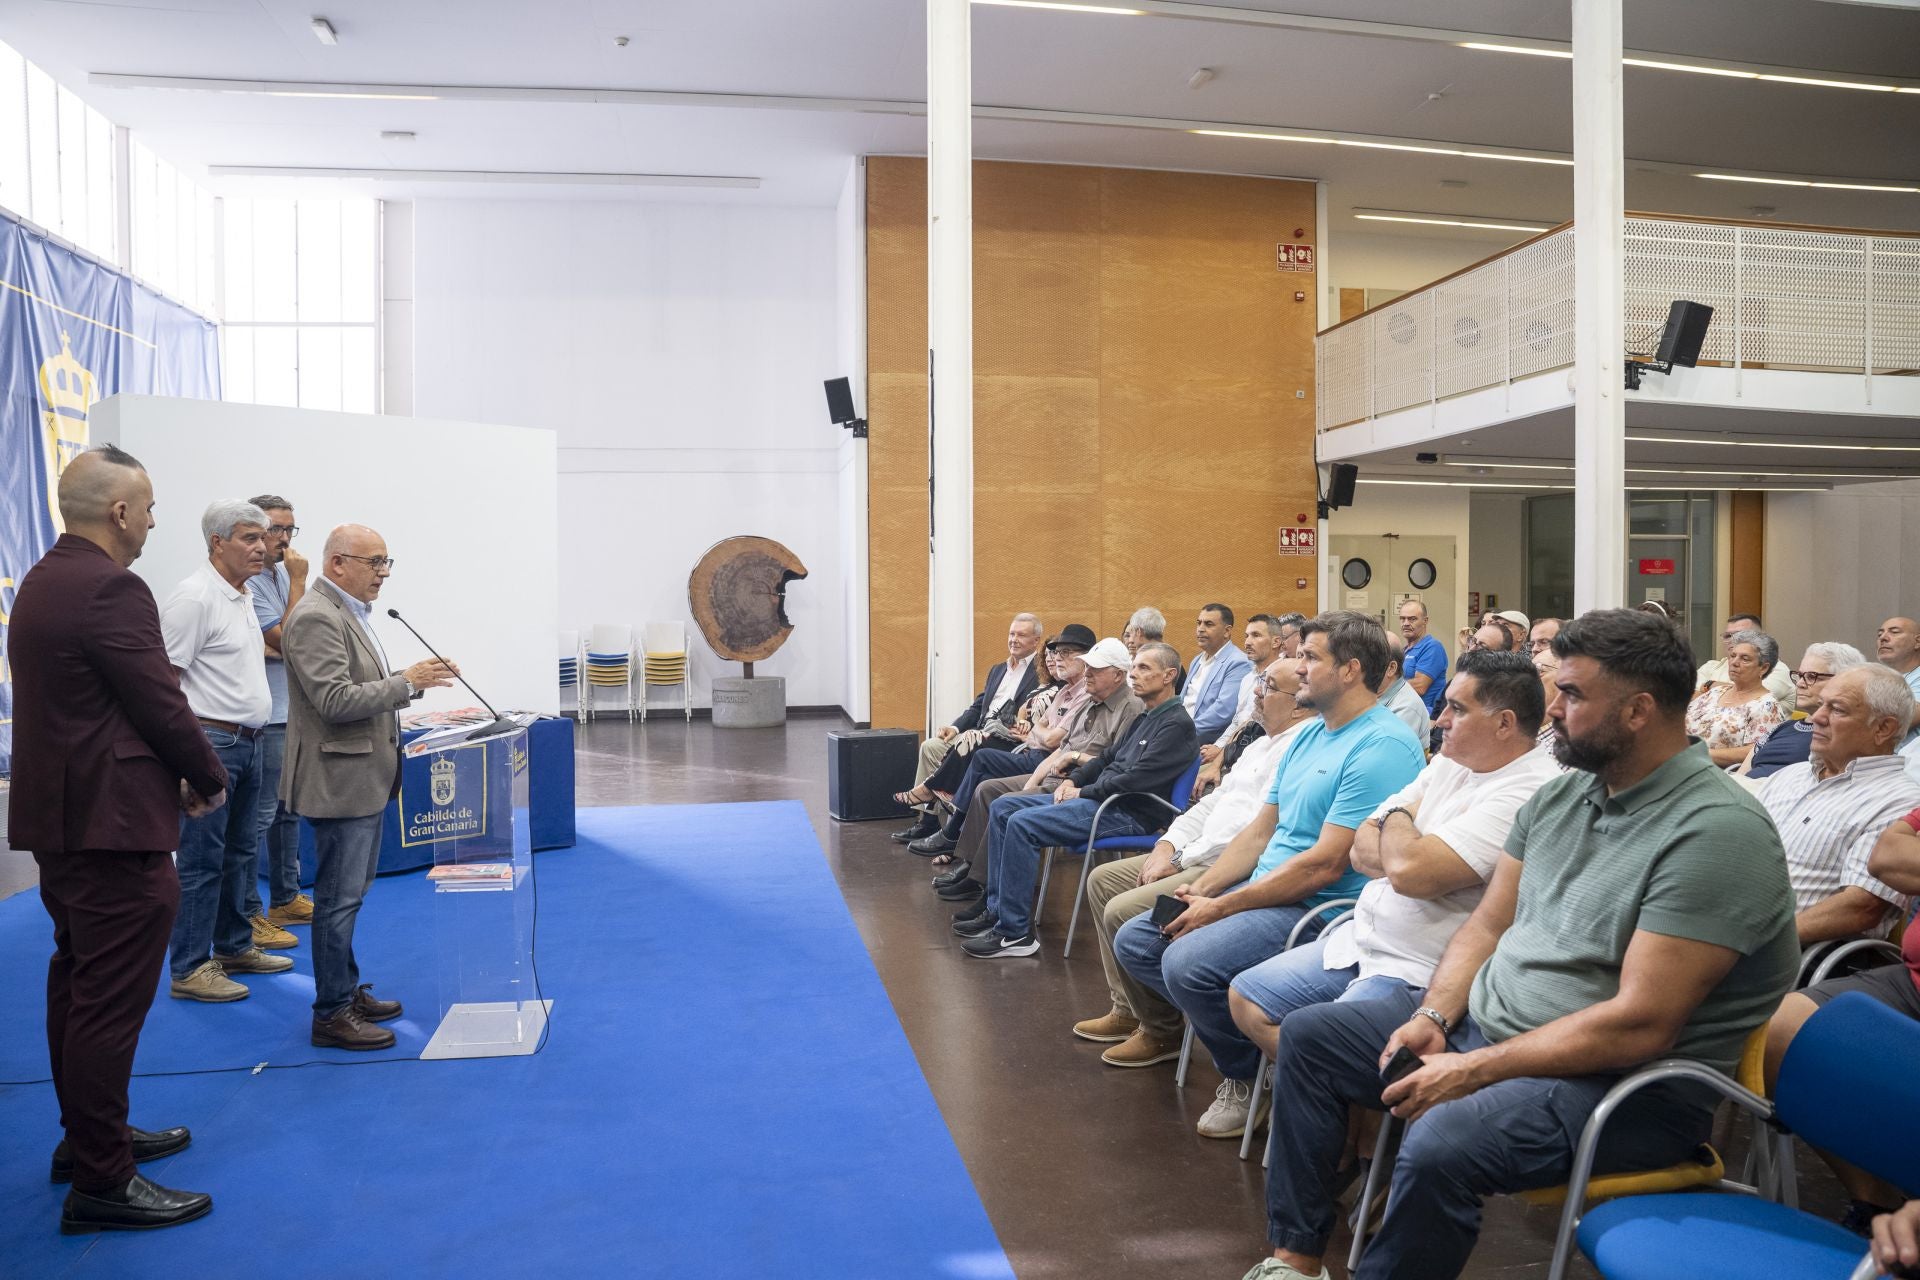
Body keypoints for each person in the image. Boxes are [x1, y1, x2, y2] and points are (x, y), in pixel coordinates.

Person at [1244, 608, 1799, 1280]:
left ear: (1638, 712)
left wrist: (1474, 1069)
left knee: (1444, 1140)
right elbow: (1485, 926)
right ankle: (1295, 1262)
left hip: (1620, 1088)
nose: (1552, 712)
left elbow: (1642, 1024)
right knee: (1313, 1037)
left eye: (1572, 695)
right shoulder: (1564, 798)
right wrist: (1433, 1016)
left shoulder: (1715, 832)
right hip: (1494, 1037)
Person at [7, 445, 227, 1233]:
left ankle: (87, 1140)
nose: (156, 519)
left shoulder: (44, 580)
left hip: (67, 825)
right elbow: (162, 701)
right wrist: (209, 777)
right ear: (122, 512)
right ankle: (102, 1178)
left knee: (78, 986)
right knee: (106, 1004)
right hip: (113, 829)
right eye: (150, 505)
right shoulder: (110, 588)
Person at [1111, 612, 1424, 1138]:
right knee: (1140, 939)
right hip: (1267, 888)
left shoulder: (1381, 747)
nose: (1297, 667)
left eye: (1309, 657)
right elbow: (1258, 834)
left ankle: (1244, 1074)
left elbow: (1326, 863)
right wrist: (1203, 889)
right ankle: (1260, 1060)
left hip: (1317, 907)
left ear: (1349, 670)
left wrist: (1226, 905)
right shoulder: (1308, 736)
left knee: (1187, 961)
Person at [1227, 652, 1559, 1084]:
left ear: (1504, 724)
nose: (1440, 720)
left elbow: (1409, 873)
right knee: (1246, 999)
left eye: (1456, 709)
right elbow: (1360, 851)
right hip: (1362, 937)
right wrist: (1401, 837)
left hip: (1419, 968)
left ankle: (1339, 1102)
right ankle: (1327, 1090)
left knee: (1316, 1038)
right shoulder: (1452, 760)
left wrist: (1395, 820)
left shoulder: (1530, 790)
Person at [1074, 657, 1316, 1068]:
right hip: (1195, 853)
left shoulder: (1300, 745)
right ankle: (1128, 1008)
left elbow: (1251, 831)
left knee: (1123, 910)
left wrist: (1183, 857)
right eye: (1260, 682)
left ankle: (1161, 1029)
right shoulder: (1260, 742)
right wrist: (1169, 845)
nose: (1256, 691)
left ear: (1298, 703)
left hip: (1223, 865)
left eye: (1268, 686)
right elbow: (1211, 806)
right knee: (1103, 881)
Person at [282, 524, 458, 1049]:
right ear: (337, 564)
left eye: (387, 562)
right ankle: (331, 1012)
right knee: (338, 900)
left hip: (360, 775)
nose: (383, 572)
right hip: (339, 778)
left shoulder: (345, 612)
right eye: (373, 562)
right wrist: (409, 682)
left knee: (348, 896)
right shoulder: (316, 617)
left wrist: (409, 682)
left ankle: (343, 989)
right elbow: (335, 701)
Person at [957, 642, 1197, 960]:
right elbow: (1106, 758)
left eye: (1143, 668)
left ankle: (1014, 934)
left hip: (1129, 810)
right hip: (1105, 801)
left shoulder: (1177, 724)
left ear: (1169, 676)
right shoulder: (1147, 717)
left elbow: (1136, 780)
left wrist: (1082, 792)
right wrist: (1074, 779)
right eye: (1134, 667)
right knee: (1003, 806)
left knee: (1022, 823)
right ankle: (998, 910)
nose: (1134, 675)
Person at [160, 499, 295, 1001]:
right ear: (217, 542)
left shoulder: (238, 595)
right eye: (249, 537)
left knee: (240, 853)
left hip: (250, 739)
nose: (263, 547)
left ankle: (235, 946)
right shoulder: (194, 598)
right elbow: (164, 685)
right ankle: (191, 969)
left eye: (264, 537)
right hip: (211, 742)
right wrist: (182, 761)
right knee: (200, 861)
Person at [1765, 804, 1920, 1234]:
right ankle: (1875, 1202)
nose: (1816, 729)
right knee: (1780, 1030)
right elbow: (1886, 857)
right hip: (1912, 980)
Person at [933, 638, 1142, 897]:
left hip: (1080, 789)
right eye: (1087, 667)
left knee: (1002, 798)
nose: (1087, 673)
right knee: (987, 788)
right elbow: (1059, 748)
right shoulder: (1089, 700)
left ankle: (984, 885)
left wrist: (1071, 761)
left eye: (1095, 669)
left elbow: (1114, 763)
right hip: (1052, 775)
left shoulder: (1132, 709)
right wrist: (1033, 781)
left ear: (1118, 675)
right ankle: (972, 867)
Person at [1756, 666, 1918, 947]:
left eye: (1837, 710)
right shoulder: (1789, 776)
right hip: (1716, 924)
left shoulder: (1898, 800)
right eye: (1821, 705)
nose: (1817, 717)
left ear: (1883, 728)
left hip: (1788, 951)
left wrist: (1761, 942)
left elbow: (1861, 908)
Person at [910, 626, 1094, 857]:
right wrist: (1038, 731)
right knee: (957, 757)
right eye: (1055, 653)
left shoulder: (1080, 692)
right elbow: (1029, 722)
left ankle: (948, 827)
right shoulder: (1058, 690)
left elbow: (1053, 739)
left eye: (1065, 653)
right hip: (1026, 748)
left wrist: (1038, 732)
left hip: (1045, 760)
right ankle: (956, 846)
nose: (1056, 659)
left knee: (980, 754)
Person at [891, 613, 1044, 843]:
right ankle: (928, 821)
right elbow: (978, 707)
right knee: (930, 747)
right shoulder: (998, 669)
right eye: (1011, 634)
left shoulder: (1041, 672)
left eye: (1021, 635)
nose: (1014, 639)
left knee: (969, 741)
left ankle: (935, 801)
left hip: (1007, 739)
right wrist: (954, 727)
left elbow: (1038, 710)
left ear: (1036, 641)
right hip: (978, 733)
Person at [246, 493, 314, 932]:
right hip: (267, 715)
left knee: (288, 811)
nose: (283, 538)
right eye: (274, 529)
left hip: (293, 709)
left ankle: (285, 898)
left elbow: (294, 642)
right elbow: (292, 639)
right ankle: (248, 913)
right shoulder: (253, 581)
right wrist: (299, 582)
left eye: (289, 529)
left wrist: (281, 644)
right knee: (260, 817)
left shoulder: (275, 575)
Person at [1740, 642, 1867, 780]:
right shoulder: (1782, 728)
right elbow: (1739, 777)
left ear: (1843, 681)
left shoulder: (1843, 734)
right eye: (1800, 675)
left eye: (1811, 677)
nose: (1800, 683)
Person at [1192, 615, 1281, 800]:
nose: (1248, 642)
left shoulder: (1282, 679)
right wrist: (1218, 747)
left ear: (1276, 642)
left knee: (1200, 790)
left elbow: (1251, 726)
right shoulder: (1249, 678)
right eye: (1246, 636)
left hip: (1258, 759)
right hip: (1234, 753)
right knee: (1188, 776)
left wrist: (1218, 762)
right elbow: (1237, 722)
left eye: (1256, 635)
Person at [1685, 627, 1787, 767]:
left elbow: (1756, 751)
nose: (1734, 662)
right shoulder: (1715, 692)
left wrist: (1699, 754)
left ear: (1763, 668)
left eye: (1745, 659)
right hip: (1681, 762)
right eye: (1733, 656)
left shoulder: (1766, 706)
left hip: (1718, 773)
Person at [1184, 603, 1254, 739]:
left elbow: (1223, 712)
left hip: (1202, 741)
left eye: (1208, 624)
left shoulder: (1238, 663)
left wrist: (1183, 732)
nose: (1200, 629)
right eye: (1199, 623)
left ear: (1227, 631)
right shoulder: (1197, 660)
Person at [1698, 612, 1796, 708]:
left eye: (1741, 635)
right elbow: (1686, 696)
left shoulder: (1777, 670)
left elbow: (1750, 697)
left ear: (1760, 638)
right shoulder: (1711, 666)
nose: (1733, 640)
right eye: (1728, 636)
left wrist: (1708, 685)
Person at [1378, 630, 1433, 745]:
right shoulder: (1375, 695)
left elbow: (1385, 753)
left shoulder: (1407, 708)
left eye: (1369, 660)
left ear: (1391, 668)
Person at [1397, 599, 1448, 719]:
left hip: (1424, 717)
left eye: (1412, 619)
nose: (1406, 623)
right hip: (1403, 712)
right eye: (1402, 618)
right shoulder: (1404, 650)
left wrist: (1386, 687)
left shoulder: (1433, 647)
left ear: (1425, 621)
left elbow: (1419, 686)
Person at [1876, 616, 1920, 703]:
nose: (1883, 638)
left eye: (1894, 632)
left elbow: (1912, 714)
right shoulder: (1875, 680)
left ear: (1918, 642)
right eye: (1879, 634)